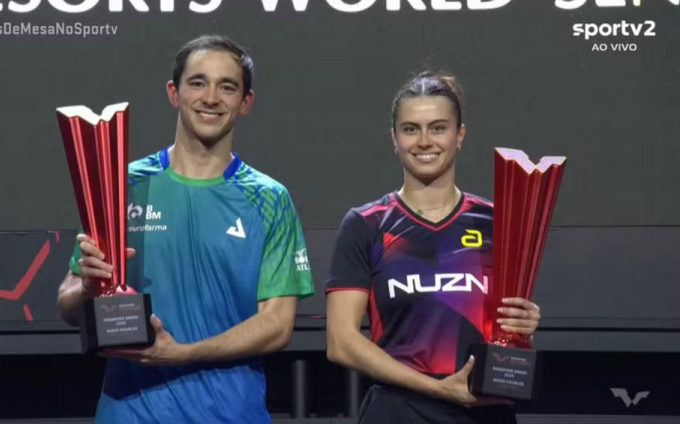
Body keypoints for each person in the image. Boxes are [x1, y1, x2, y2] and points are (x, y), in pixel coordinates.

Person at [56, 34, 315, 424]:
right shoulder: (122, 185)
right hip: (131, 413)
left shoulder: (270, 199)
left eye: (227, 87)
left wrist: (182, 353)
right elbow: (68, 304)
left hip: (231, 415)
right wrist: (89, 288)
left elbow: (277, 326)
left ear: (246, 102)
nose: (211, 98)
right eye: (197, 82)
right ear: (174, 93)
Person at [324, 71, 541, 424]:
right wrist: (438, 388)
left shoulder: (497, 223)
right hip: (398, 412)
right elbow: (341, 342)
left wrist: (523, 323)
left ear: (460, 135)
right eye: (411, 129)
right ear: (395, 138)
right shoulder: (366, 224)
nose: (424, 141)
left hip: (483, 412)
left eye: (438, 128)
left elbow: (508, 331)